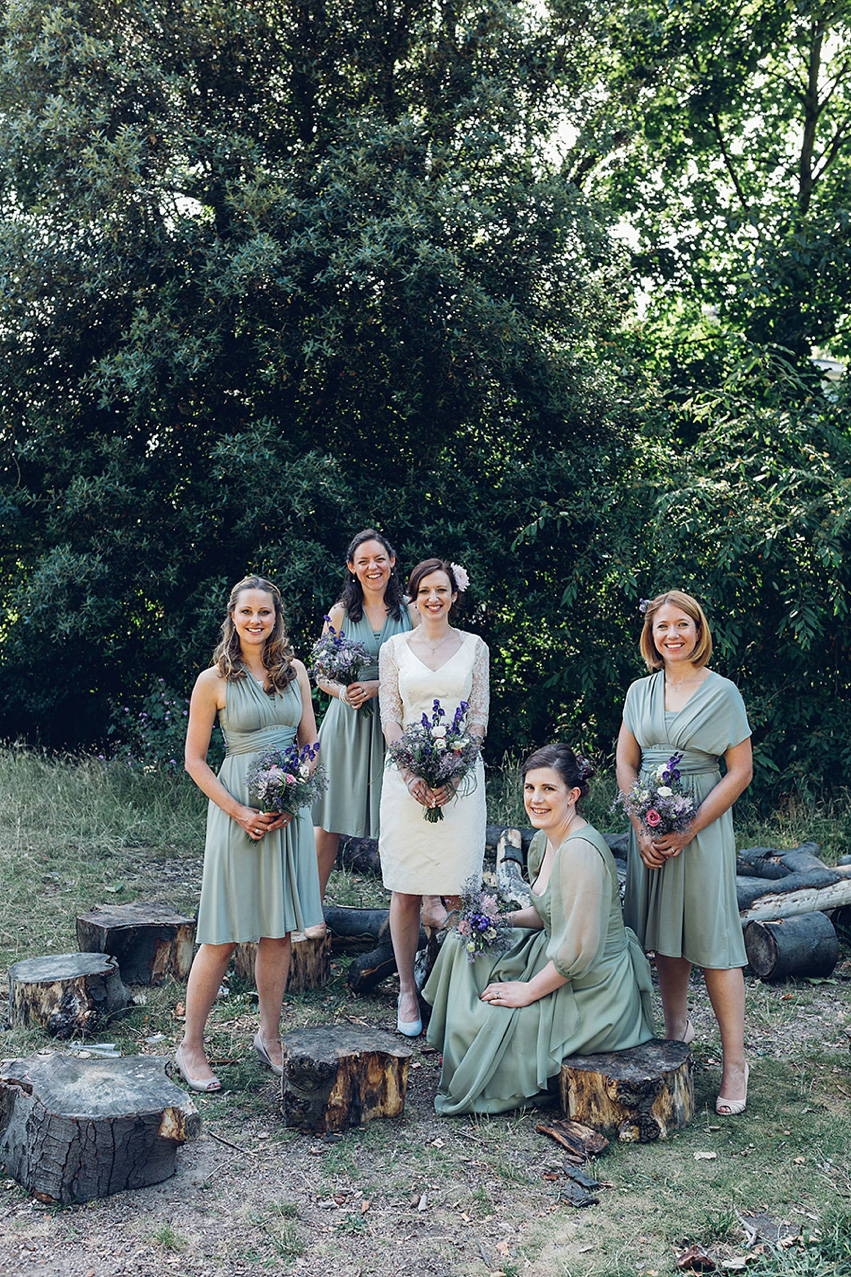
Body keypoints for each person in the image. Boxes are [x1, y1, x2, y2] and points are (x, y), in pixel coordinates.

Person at [423, 745, 655, 1115]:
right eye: (530, 788)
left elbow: (579, 952)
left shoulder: (580, 852)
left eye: (548, 789)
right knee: (464, 945)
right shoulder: (548, 838)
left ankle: (476, 1056)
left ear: (572, 795)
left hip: (593, 986)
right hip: (557, 949)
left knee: (498, 1016)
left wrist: (528, 991)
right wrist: (501, 920)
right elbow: (549, 912)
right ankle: (454, 1047)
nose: (536, 799)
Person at [176, 576, 323, 1092]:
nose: (257, 621)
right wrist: (240, 811)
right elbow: (195, 761)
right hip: (237, 811)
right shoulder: (212, 680)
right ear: (233, 618)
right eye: (247, 613)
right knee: (221, 934)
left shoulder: (296, 672)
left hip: (288, 812)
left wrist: (295, 793)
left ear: (276, 618)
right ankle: (190, 1046)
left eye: (265, 613)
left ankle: (269, 1036)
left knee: (277, 931)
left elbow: (310, 744)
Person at [616, 590, 753, 1116]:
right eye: (661, 627)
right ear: (651, 636)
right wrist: (641, 826)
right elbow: (626, 763)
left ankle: (735, 1061)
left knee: (713, 939)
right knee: (664, 934)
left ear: (699, 631)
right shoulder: (639, 691)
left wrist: (690, 828)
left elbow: (740, 771)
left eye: (682, 625)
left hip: (701, 824)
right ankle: (676, 1036)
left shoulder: (723, 693)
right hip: (648, 824)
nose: (671, 635)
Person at [378, 558, 489, 1037]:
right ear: (413, 596)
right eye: (424, 591)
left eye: (441, 590)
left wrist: (454, 768)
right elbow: (391, 717)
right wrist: (411, 774)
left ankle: (457, 991)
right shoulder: (394, 648)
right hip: (406, 779)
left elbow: (479, 717)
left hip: (461, 778)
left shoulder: (475, 647)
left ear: (453, 594)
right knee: (405, 886)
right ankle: (407, 990)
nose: (433, 599)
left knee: (461, 886)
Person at [310, 529, 417, 932]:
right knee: (329, 823)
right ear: (352, 569)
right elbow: (320, 672)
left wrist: (379, 687)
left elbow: (425, 665)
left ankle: (413, 912)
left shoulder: (411, 610)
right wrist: (343, 692)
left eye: (380, 559)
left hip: (397, 722)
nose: (373, 567)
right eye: (364, 561)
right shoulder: (339, 614)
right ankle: (311, 912)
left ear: (392, 562)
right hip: (347, 723)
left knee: (403, 818)